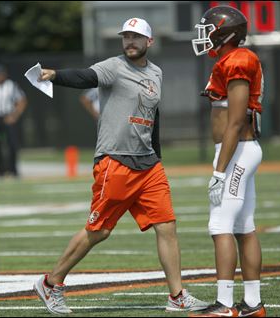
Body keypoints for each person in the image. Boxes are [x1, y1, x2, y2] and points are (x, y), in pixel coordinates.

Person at [32, 17, 209, 315]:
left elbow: (154, 117)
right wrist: (55, 75)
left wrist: (158, 155)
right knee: (99, 231)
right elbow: (85, 77)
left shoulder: (157, 73)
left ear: (149, 42)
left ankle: (177, 296)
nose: (130, 41)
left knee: (167, 226)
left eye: (136, 37)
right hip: (115, 160)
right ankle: (51, 283)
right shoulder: (113, 66)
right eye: (126, 36)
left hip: (148, 165)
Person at [189, 5, 266, 317]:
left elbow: (235, 120)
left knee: (219, 225)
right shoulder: (228, 60)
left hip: (236, 152)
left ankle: (224, 305)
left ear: (225, 32)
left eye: (208, 29)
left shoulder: (238, 60)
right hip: (239, 151)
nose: (205, 35)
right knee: (243, 227)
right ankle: (252, 304)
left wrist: (220, 170)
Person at [0, 64, 27, 177]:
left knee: (12, 144)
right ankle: (0, 170)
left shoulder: (11, 86)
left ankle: (13, 170)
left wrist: (14, 115)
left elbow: (21, 101)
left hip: (7, 117)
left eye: (1, 74)